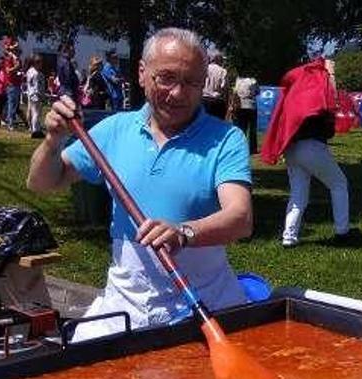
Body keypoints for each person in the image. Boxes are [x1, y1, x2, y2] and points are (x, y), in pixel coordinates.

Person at [26, 27, 251, 341]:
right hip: (125, 307)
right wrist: (53, 141)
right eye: (167, 78)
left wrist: (184, 233)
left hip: (206, 306)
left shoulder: (226, 138)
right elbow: (42, 183)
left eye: (192, 82)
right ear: (143, 74)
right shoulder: (115, 129)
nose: (178, 93)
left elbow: (240, 218)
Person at [260, 58, 352, 248]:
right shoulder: (319, 93)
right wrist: (331, 74)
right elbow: (330, 110)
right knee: (338, 184)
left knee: (298, 194)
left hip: (292, 148)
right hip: (312, 146)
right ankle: (342, 231)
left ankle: (289, 236)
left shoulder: (295, 93)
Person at [231, 75, 258, 154]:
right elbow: (257, 92)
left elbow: (235, 92)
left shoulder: (238, 80)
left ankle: (240, 146)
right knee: (252, 129)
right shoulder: (253, 80)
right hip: (251, 106)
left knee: (241, 128)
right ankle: (252, 148)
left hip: (240, 106)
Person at [2, 37, 23, 131]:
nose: (18, 52)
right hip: (12, 84)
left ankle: (7, 120)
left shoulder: (15, 58)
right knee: (11, 104)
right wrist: (16, 67)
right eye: (16, 50)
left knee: (12, 104)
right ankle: (10, 123)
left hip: (16, 83)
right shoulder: (9, 58)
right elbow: (8, 70)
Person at [202, 50, 227, 119]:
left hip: (203, 99)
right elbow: (223, 86)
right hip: (216, 100)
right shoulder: (223, 71)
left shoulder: (204, 68)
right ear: (218, 59)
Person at [25, 54, 45, 138]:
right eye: (40, 63)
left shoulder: (29, 71)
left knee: (32, 112)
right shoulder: (36, 74)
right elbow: (37, 86)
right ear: (37, 63)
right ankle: (35, 130)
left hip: (30, 94)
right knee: (36, 113)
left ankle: (33, 128)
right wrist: (40, 95)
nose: (42, 65)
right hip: (36, 95)